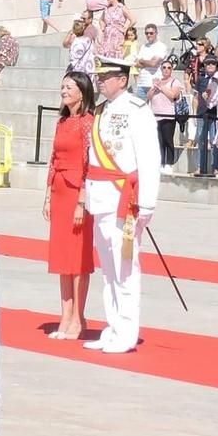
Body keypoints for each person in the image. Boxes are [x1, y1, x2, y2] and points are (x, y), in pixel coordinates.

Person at [81, 53, 160, 354]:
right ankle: (113, 326)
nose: (100, 81)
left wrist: (147, 202)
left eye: (105, 77)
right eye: (99, 76)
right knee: (108, 270)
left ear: (122, 79)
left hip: (123, 199)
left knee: (125, 267)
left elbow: (150, 158)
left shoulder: (137, 110)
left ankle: (127, 330)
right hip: (101, 198)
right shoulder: (100, 110)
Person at [44, 71, 96, 339]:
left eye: (68, 87)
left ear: (82, 92)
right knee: (63, 257)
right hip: (60, 190)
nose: (63, 91)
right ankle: (65, 316)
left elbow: (90, 163)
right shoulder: (62, 121)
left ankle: (78, 318)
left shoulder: (88, 123)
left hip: (78, 192)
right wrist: (48, 195)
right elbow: (53, 158)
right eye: (62, 86)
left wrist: (82, 201)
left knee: (77, 259)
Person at [148, 62, 185, 168]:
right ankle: (160, 163)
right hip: (156, 115)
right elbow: (149, 96)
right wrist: (155, 88)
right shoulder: (157, 82)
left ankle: (169, 163)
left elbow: (173, 95)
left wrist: (161, 87)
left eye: (169, 68)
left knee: (168, 140)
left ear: (171, 69)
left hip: (168, 115)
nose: (166, 70)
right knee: (159, 141)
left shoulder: (175, 81)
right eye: (164, 67)